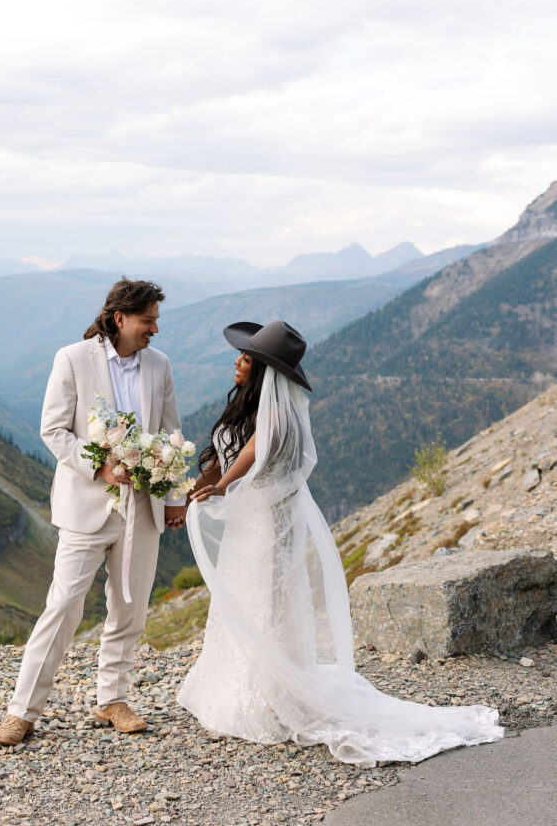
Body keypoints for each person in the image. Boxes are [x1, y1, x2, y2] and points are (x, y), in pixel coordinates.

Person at [178, 320, 503, 767]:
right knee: (241, 598)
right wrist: (199, 490)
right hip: (244, 525)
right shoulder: (244, 405)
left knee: (265, 604)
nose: (237, 362)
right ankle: (242, 682)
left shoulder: (280, 417)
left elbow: (256, 447)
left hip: (267, 527)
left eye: (247, 359)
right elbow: (222, 455)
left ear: (264, 373)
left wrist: (224, 486)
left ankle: (272, 692)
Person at [0, 279, 185, 746]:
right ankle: (22, 710)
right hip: (85, 505)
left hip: (143, 507)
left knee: (131, 607)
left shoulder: (159, 365)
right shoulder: (73, 359)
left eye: (157, 319)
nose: (155, 328)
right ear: (120, 318)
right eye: (148, 320)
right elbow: (53, 430)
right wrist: (100, 467)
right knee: (62, 606)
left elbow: (172, 431)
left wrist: (175, 493)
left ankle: (112, 699)